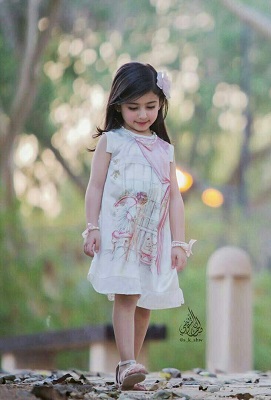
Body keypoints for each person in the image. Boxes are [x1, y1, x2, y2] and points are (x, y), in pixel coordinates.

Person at [82, 62, 195, 391]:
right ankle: (126, 362)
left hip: (153, 238)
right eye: (133, 107)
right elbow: (95, 187)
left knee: (146, 300)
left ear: (161, 105)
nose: (143, 114)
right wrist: (92, 227)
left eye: (150, 106)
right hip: (121, 235)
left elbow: (175, 198)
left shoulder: (165, 150)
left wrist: (178, 242)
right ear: (118, 105)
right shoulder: (112, 142)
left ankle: (131, 369)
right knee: (127, 295)